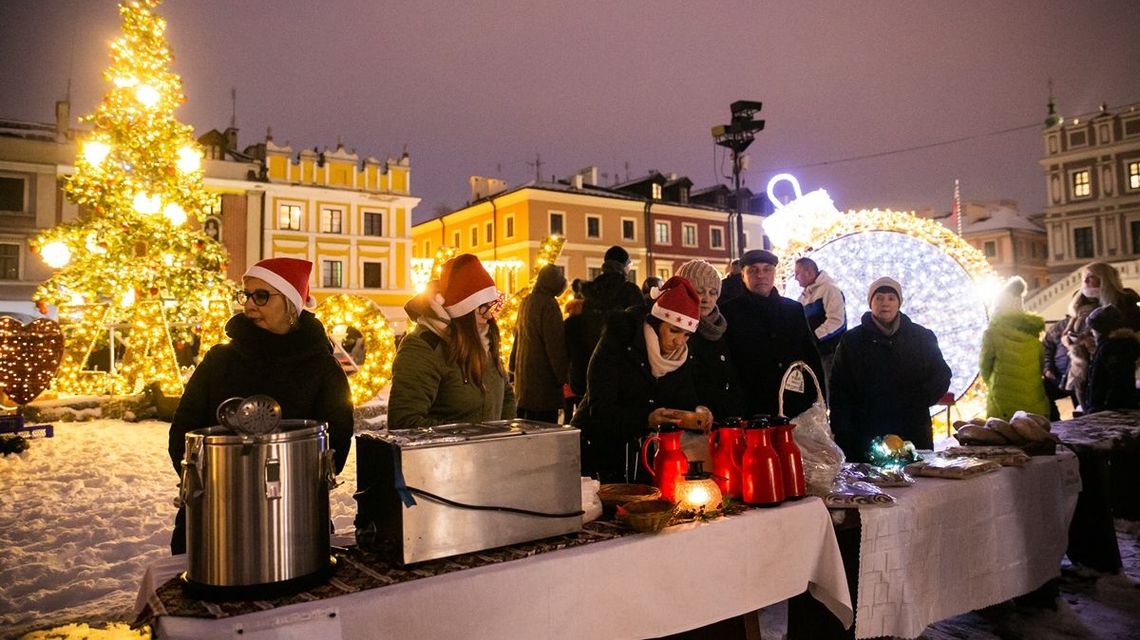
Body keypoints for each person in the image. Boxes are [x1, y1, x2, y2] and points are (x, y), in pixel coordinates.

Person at [168, 257, 353, 554]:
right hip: (215, 518)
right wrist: (209, 488)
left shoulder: (323, 368)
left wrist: (284, 490)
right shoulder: (220, 359)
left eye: (262, 296)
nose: (250, 305)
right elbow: (184, 431)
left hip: (293, 518)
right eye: (246, 295)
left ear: (291, 305)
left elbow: (335, 445)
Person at [572, 276, 707, 482]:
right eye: (674, 331)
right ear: (656, 323)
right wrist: (646, 419)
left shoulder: (681, 357)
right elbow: (600, 409)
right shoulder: (618, 340)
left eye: (687, 335)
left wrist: (697, 411)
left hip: (646, 460)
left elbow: (683, 397)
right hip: (599, 455)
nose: (680, 342)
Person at [829, 277, 951, 462]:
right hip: (865, 433)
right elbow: (839, 387)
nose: (885, 303)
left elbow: (941, 374)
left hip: (912, 429)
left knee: (917, 479)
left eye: (891, 298)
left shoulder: (921, 337)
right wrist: (841, 430)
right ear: (870, 302)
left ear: (899, 303)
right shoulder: (852, 341)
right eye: (879, 298)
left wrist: (920, 400)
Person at [388, 254, 515, 427]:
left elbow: (506, 395)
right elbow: (404, 422)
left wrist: (504, 433)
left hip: (491, 445)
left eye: (491, 306)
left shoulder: (485, 339)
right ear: (464, 310)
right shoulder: (423, 348)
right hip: (447, 447)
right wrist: (472, 434)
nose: (489, 315)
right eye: (483, 307)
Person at [720, 249, 824, 419]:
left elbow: (810, 356)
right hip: (750, 410)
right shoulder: (729, 312)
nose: (761, 275)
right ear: (743, 275)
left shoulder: (793, 310)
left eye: (766, 269)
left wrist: (817, 400)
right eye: (753, 270)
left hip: (793, 406)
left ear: (774, 273)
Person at [566, 245, 644, 408]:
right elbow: (640, 329)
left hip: (586, 371)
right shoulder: (629, 291)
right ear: (624, 266)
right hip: (620, 371)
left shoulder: (589, 292)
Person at [1062, 262, 1140, 412]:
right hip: (1082, 370)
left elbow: (1130, 334)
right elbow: (1066, 332)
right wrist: (1072, 340)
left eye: (1090, 277)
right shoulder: (1080, 302)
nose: (1085, 281)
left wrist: (1095, 342)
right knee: (1088, 411)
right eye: (1084, 277)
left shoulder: (1125, 301)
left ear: (1104, 278)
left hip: (1110, 366)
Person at [676, 259, 743, 420]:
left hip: (723, 421)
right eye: (699, 291)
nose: (706, 299)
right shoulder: (675, 330)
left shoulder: (721, 329)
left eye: (713, 292)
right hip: (690, 421)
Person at [979, 277, 1050, 421]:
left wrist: (993, 383)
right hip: (1034, 399)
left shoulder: (992, 334)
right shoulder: (1033, 333)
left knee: (1003, 432)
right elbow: (1040, 366)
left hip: (1003, 399)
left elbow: (985, 366)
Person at [513, 264, 569, 423]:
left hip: (525, 381)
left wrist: (513, 365)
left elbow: (517, 335)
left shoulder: (526, 301)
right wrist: (562, 375)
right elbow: (554, 344)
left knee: (526, 427)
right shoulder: (549, 304)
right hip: (544, 383)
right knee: (544, 428)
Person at [794, 257, 846, 386]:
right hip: (813, 353)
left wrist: (813, 337)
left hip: (830, 353)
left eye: (797, 273)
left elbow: (837, 321)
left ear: (809, 272)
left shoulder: (829, 289)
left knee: (830, 389)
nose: (795, 278)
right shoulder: (803, 297)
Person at [1083, 304, 1140, 414]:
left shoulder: (1113, 347)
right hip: (1112, 407)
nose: (1091, 332)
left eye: (1093, 329)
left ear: (1101, 329)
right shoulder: (1115, 344)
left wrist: (1101, 407)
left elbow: (1117, 380)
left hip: (1109, 408)